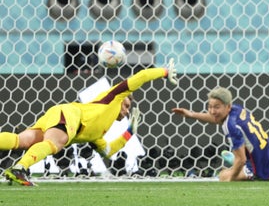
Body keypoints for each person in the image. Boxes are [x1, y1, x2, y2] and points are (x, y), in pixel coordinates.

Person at [2, 60, 178, 186]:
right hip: (71, 115)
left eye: (128, 109)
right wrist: (164, 72)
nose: (126, 111)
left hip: (59, 115)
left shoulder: (99, 133)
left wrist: (130, 131)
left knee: (23, 140)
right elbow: (142, 76)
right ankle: (20, 168)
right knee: (57, 142)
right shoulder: (113, 96)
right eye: (126, 106)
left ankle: (18, 168)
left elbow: (109, 151)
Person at [171, 87, 269, 181]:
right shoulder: (237, 109)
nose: (212, 111)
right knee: (243, 148)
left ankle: (239, 161)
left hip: (265, 168)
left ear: (228, 106)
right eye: (210, 106)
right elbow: (215, 119)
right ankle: (237, 158)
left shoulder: (231, 126)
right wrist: (191, 114)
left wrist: (232, 178)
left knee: (223, 176)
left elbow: (242, 159)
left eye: (217, 107)